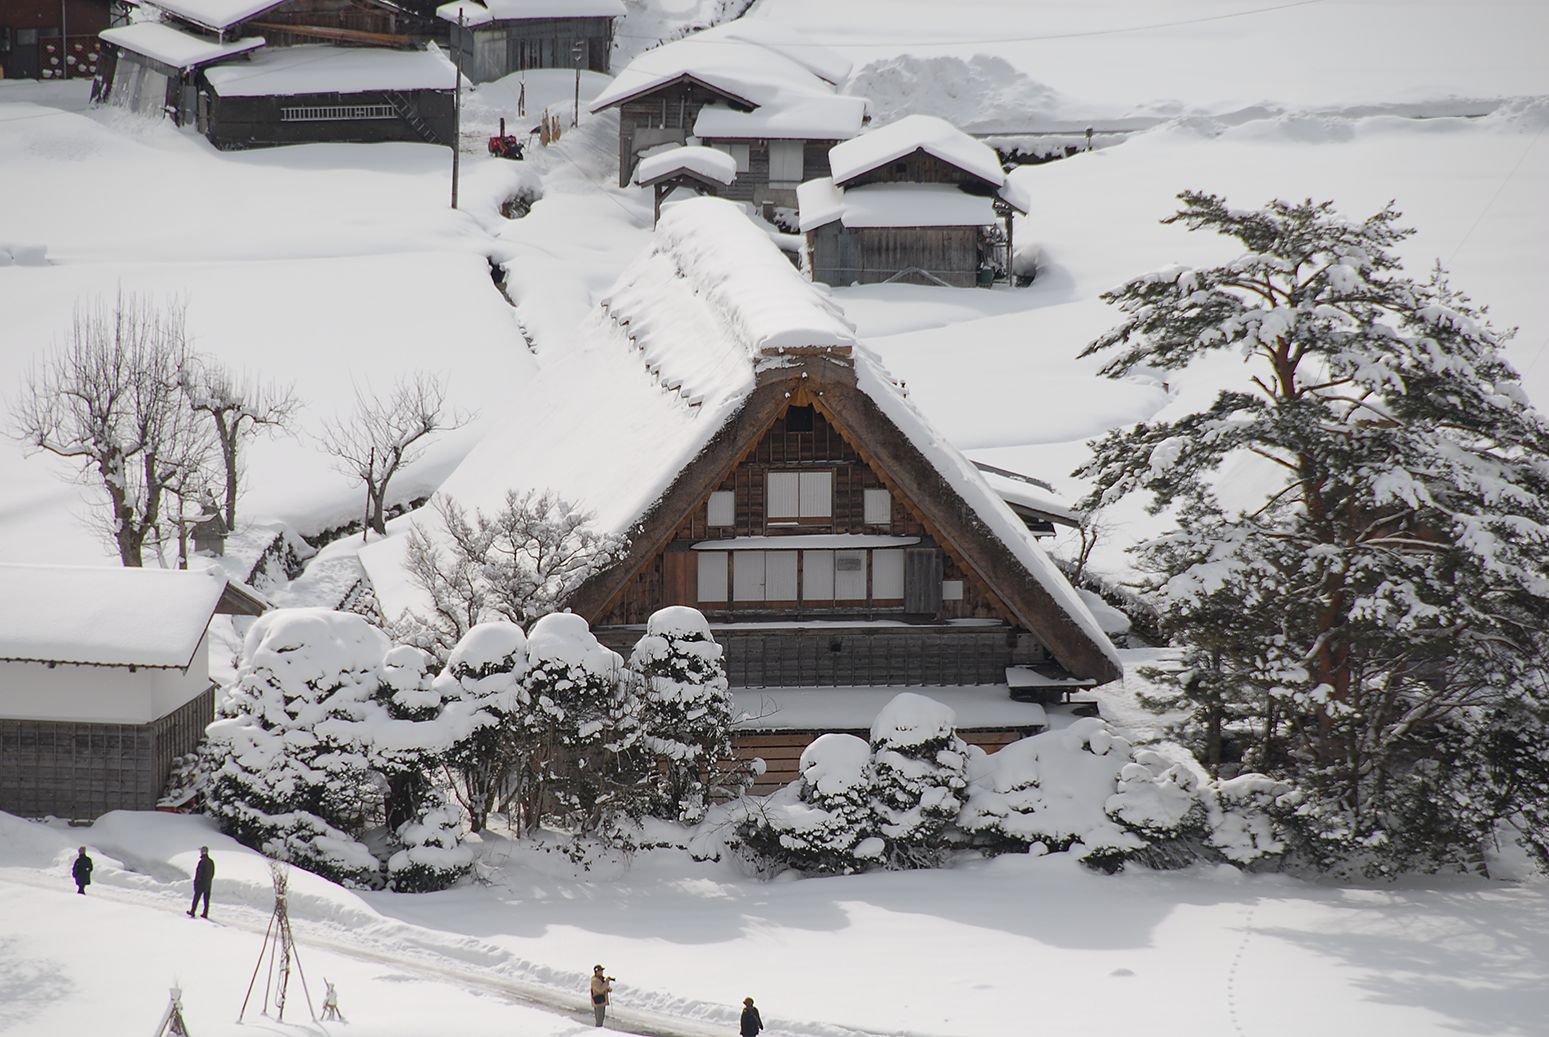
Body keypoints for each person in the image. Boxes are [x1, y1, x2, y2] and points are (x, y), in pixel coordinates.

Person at [187, 846, 214, 918]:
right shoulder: (211, 862)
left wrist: (196, 882)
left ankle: (192, 911)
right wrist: (208, 880)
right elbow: (212, 873)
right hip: (208, 884)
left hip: (201, 884)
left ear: (203, 852)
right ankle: (205, 913)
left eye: (201, 851)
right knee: (206, 900)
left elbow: (199, 873)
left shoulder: (202, 862)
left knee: (196, 898)